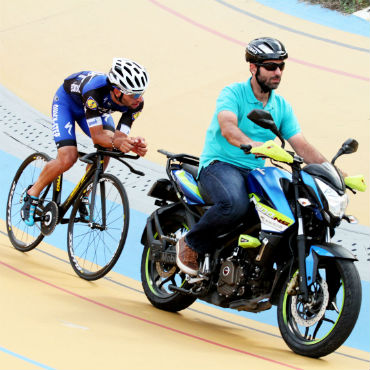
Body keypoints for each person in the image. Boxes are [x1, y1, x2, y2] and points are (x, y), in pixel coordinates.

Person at [176, 37, 330, 276]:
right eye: (271, 66)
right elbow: (228, 127)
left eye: (281, 66)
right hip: (221, 165)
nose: (277, 72)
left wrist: (333, 172)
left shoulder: (281, 107)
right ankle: (190, 243)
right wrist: (252, 145)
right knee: (233, 204)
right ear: (253, 67)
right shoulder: (233, 93)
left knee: (286, 212)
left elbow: (301, 145)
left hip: (255, 173)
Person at [21, 57, 149, 226]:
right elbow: (98, 137)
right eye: (135, 94)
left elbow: (118, 138)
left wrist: (132, 143)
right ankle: (32, 194)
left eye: (142, 93)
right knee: (68, 157)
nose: (139, 99)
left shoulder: (135, 104)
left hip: (95, 111)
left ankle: (84, 197)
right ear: (118, 91)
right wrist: (118, 142)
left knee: (107, 150)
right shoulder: (94, 91)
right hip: (67, 104)